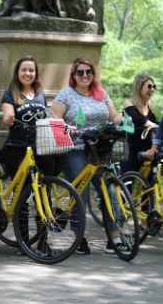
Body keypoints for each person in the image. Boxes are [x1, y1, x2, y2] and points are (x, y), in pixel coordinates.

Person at [50, 58, 123, 254]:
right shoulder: (66, 94)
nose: (84, 76)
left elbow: (113, 116)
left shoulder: (101, 94)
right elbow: (55, 117)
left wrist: (122, 119)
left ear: (93, 74)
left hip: (99, 149)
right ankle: (79, 237)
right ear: (74, 75)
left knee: (109, 190)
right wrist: (67, 127)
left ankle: (114, 237)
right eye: (80, 72)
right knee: (80, 191)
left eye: (88, 72)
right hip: (75, 148)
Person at [0, 56, 53, 178]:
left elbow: (46, 116)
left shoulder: (40, 93)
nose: (27, 73)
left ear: (36, 73)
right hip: (18, 147)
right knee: (23, 189)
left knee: (45, 186)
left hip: (40, 146)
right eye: (24, 70)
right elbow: (7, 116)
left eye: (31, 70)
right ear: (17, 72)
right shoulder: (9, 94)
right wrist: (8, 117)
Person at [122, 74, 159, 173]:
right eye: (149, 86)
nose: (152, 89)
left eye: (154, 86)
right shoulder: (128, 103)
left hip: (148, 150)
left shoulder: (150, 105)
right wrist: (155, 125)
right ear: (139, 87)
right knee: (129, 184)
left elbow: (156, 123)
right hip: (132, 151)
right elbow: (137, 119)